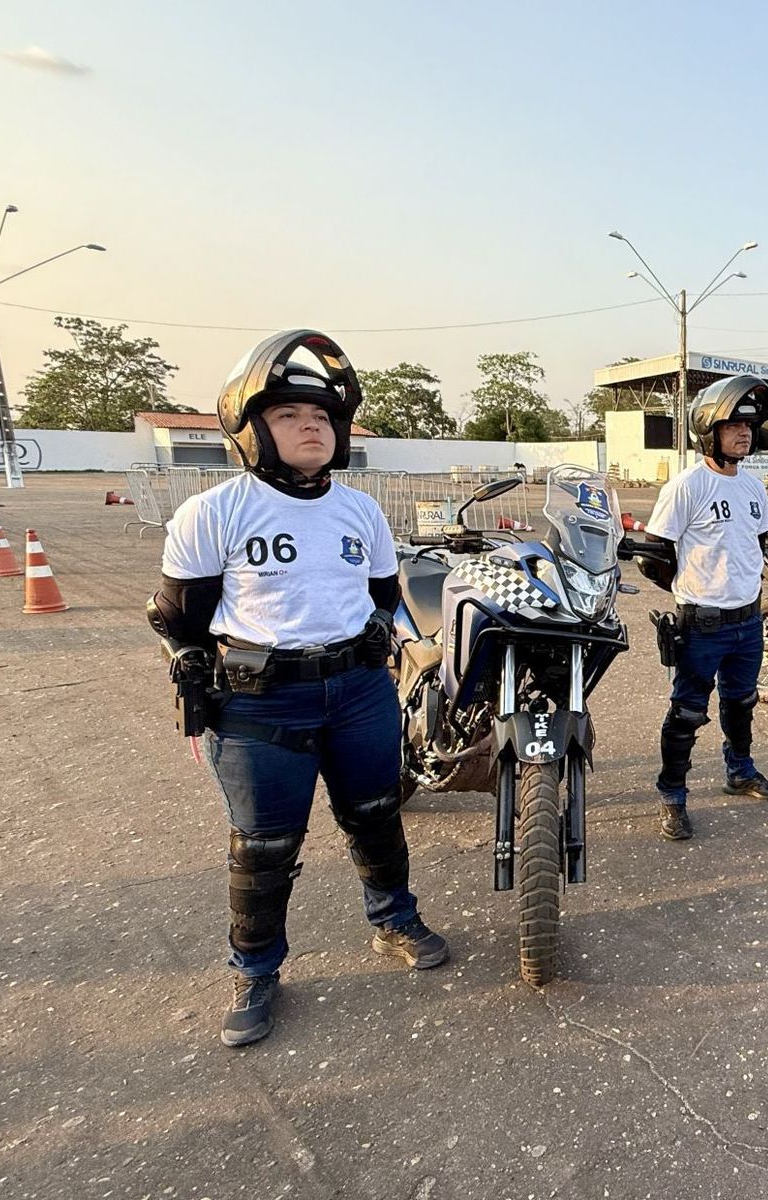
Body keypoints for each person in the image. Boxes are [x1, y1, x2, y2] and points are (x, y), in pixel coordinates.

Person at [147, 329, 448, 1048]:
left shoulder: (361, 512)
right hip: (257, 701)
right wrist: (187, 664)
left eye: (321, 415)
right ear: (251, 431)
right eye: (287, 414)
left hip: (357, 692)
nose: (311, 425)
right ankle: (255, 967)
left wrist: (379, 638)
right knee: (264, 845)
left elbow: (382, 595)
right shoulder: (212, 513)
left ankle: (394, 918)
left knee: (376, 814)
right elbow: (175, 616)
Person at [642, 374, 768, 841]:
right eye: (733, 425)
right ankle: (672, 795)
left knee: (741, 704)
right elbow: (652, 557)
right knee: (686, 713)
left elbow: (757, 542)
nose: (744, 433)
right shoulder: (687, 486)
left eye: (750, 425)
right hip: (701, 626)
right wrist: (692, 592)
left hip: (749, 622)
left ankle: (739, 771)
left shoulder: (753, 488)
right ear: (709, 431)